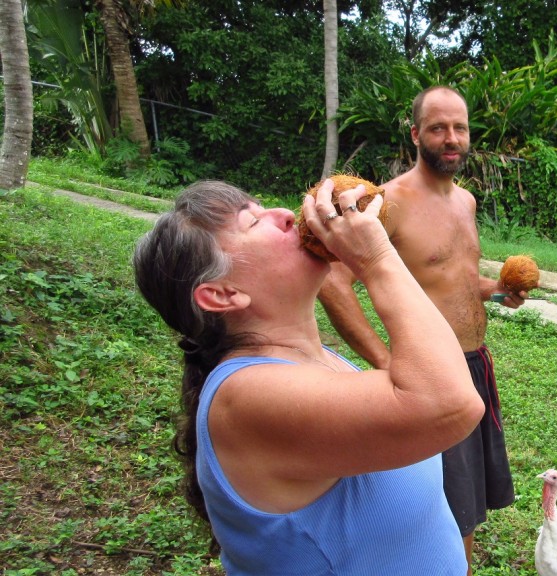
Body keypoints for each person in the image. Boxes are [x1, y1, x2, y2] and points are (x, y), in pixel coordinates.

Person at [131, 178, 484, 575]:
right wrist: (375, 258)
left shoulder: (319, 364)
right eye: (253, 222)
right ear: (223, 294)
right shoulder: (246, 396)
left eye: (263, 206)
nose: (284, 214)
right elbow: (451, 402)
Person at [317, 85, 530, 574]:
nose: (451, 137)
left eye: (459, 127)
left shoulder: (467, 202)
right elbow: (334, 281)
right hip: (432, 373)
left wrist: (498, 290)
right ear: (415, 134)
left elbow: (456, 280)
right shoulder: (387, 202)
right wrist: (386, 361)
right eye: (438, 127)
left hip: (475, 368)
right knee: (445, 511)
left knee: (468, 507)